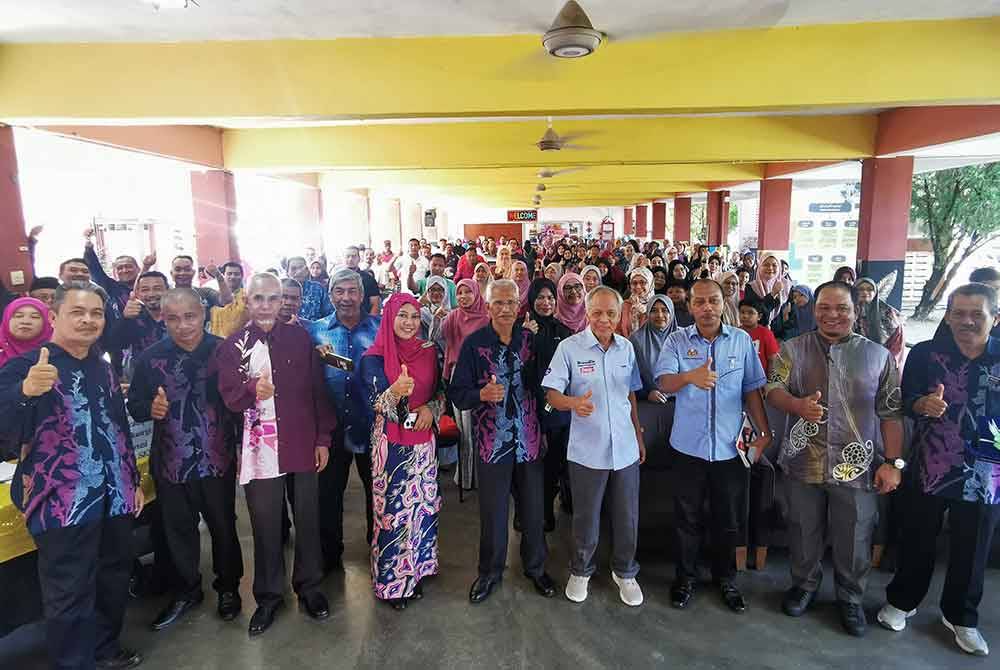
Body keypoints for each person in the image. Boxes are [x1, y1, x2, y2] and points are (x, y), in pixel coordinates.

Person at [0, 282, 145, 670]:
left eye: (96, 313)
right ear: (54, 316)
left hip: (115, 492)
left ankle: (105, 648)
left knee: (113, 575)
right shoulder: (24, 367)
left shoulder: (103, 368)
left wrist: (131, 480)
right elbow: (5, 430)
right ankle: (74, 662)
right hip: (62, 500)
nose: (88, 320)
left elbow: (119, 428)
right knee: (69, 589)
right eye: (77, 312)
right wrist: (25, 391)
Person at [765, 280, 903, 637]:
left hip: (857, 465)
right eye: (824, 307)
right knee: (802, 529)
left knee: (855, 535)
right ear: (814, 310)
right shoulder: (792, 349)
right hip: (802, 459)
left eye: (842, 308)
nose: (832, 315)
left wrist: (893, 463)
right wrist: (797, 405)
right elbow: (772, 389)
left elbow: (891, 412)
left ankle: (851, 598)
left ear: (856, 311)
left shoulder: (878, 356)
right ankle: (804, 586)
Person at [877, 283, 1000, 656]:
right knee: (917, 537)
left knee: (972, 547)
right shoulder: (926, 354)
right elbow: (905, 400)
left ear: (994, 318)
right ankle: (902, 601)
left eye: (976, 314)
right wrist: (922, 404)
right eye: (958, 313)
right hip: (930, 464)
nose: (966, 321)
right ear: (947, 316)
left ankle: (960, 616)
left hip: (987, 473)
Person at [216, 273, 335, 636]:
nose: (266, 306)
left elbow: (317, 391)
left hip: (302, 440)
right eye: (259, 298)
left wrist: (323, 438)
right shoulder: (234, 346)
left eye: (273, 298)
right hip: (260, 450)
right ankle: (269, 597)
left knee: (308, 519)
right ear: (247, 301)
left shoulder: (300, 339)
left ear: (283, 301)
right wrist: (252, 388)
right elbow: (229, 397)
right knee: (266, 525)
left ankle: (310, 587)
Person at [126, 288, 243, 630]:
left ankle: (228, 588)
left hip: (217, 458)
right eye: (173, 319)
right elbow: (135, 406)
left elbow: (241, 404)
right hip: (171, 461)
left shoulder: (225, 351)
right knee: (177, 532)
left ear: (203, 313)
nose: (183, 325)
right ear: (163, 319)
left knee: (224, 527)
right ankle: (186, 590)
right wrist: (150, 408)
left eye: (190, 316)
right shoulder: (150, 358)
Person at [654, 279, 772, 614]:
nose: (707, 308)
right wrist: (689, 377)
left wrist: (764, 433)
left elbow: (752, 389)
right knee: (686, 519)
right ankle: (685, 578)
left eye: (714, 301)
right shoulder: (677, 340)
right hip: (687, 447)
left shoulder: (742, 341)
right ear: (690, 307)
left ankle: (726, 580)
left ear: (724, 304)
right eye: (700, 302)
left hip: (730, 449)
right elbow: (663, 382)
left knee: (728, 519)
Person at [448, 279, 556, 604]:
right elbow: (457, 392)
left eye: (511, 302)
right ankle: (489, 573)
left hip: (529, 440)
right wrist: (480, 394)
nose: (506, 309)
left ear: (519, 305)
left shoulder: (531, 341)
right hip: (492, 443)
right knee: (493, 513)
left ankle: (536, 568)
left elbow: (548, 385)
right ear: (488, 306)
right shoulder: (474, 344)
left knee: (534, 511)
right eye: (499, 303)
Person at [544, 286, 647, 606]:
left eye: (611, 313)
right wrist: (573, 403)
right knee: (586, 516)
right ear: (587, 313)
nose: (604, 319)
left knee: (627, 515)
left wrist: (638, 434)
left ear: (619, 315)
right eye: (598, 313)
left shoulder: (626, 348)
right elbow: (551, 395)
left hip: (625, 448)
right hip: (587, 450)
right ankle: (581, 570)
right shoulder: (569, 348)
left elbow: (630, 394)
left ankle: (625, 572)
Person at [360, 294, 442, 610]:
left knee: (422, 508)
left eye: (414, 316)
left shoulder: (429, 351)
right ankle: (393, 583)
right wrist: (394, 392)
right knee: (393, 515)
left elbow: (441, 391)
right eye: (402, 315)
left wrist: (432, 409)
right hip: (391, 446)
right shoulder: (374, 357)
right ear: (389, 318)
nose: (409, 322)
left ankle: (418, 570)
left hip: (423, 443)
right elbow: (375, 403)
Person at [304, 267, 380, 573]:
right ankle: (329, 557)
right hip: (330, 428)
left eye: (352, 291)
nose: (346, 298)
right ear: (330, 295)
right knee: (327, 496)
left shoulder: (380, 329)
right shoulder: (315, 331)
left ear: (362, 295)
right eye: (339, 291)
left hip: (371, 426)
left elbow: (377, 374)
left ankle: (380, 551)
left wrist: (334, 360)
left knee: (378, 494)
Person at [524, 278, 574, 530]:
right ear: (531, 300)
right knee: (531, 465)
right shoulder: (522, 329)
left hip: (556, 409)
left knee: (554, 460)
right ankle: (529, 511)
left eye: (550, 298)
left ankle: (548, 509)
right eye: (540, 298)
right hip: (528, 405)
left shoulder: (563, 332)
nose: (546, 303)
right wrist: (525, 337)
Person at [441, 279, 491, 491]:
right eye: (459, 293)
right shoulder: (453, 316)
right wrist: (440, 317)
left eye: (467, 292)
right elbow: (441, 337)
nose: (463, 296)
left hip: (479, 377)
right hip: (458, 375)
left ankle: (479, 476)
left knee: (476, 428)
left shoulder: (486, 318)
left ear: (476, 294)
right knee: (462, 428)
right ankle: (465, 476)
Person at [106, 271, 169, 378]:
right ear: (138, 294)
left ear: (167, 291)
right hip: (141, 377)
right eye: (145, 290)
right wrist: (125, 319)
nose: (151, 294)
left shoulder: (178, 316)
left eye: (157, 288)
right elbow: (114, 344)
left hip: (175, 377)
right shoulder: (133, 316)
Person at [629, 295, 676, 404]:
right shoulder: (636, 340)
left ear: (672, 312)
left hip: (682, 400)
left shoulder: (683, 338)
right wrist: (646, 393)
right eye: (654, 311)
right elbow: (630, 377)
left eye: (665, 310)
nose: (660, 315)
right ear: (648, 313)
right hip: (650, 403)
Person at [855, 276, 904, 367]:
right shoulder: (848, 311)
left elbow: (897, 341)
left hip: (882, 363)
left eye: (870, 289)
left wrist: (886, 364)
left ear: (875, 292)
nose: (865, 292)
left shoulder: (887, 313)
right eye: (860, 289)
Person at [0, 296, 53, 368]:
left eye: (34, 317)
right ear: (6, 320)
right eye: (18, 316)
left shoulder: (58, 355)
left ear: (46, 322)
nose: (25, 322)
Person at [743, 254, 790, 329]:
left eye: (774, 265)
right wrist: (772, 294)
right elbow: (754, 313)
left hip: (781, 334)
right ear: (759, 267)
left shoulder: (787, 287)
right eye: (766, 265)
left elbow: (791, 317)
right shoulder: (751, 287)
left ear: (779, 268)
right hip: (758, 331)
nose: (770, 268)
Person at [738, 299, 779, 375]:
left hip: (760, 377)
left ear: (759, 316)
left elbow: (772, 359)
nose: (745, 316)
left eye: (750, 313)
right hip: (739, 376)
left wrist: (769, 376)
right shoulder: (735, 333)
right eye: (742, 312)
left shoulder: (766, 333)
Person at [286, 256, 334, 320]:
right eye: (293, 269)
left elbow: (330, 314)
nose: (298, 272)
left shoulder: (318, 289)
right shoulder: (281, 289)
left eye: (301, 268)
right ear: (287, 272)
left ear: (306, 271)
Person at [619, 268, 654, 337]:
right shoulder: (625, 305)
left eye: (642, 282)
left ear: (650, 284)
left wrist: (645, 313)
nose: (638, 287)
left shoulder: (656, 305)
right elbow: (618, 330)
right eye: (634, 283)